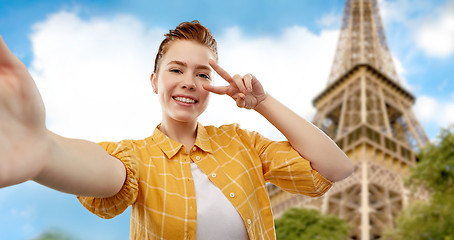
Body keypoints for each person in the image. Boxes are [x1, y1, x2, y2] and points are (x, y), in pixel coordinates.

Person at [0, 20, 353, 239]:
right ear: (154, 80)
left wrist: (261, 102)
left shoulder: (243, 143)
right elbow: (106, 171)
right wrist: (45, 151)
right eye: (176, 70)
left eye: (203, 74)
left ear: (213, 86)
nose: (190, 83)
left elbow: (337, 168)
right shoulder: (137, 158)